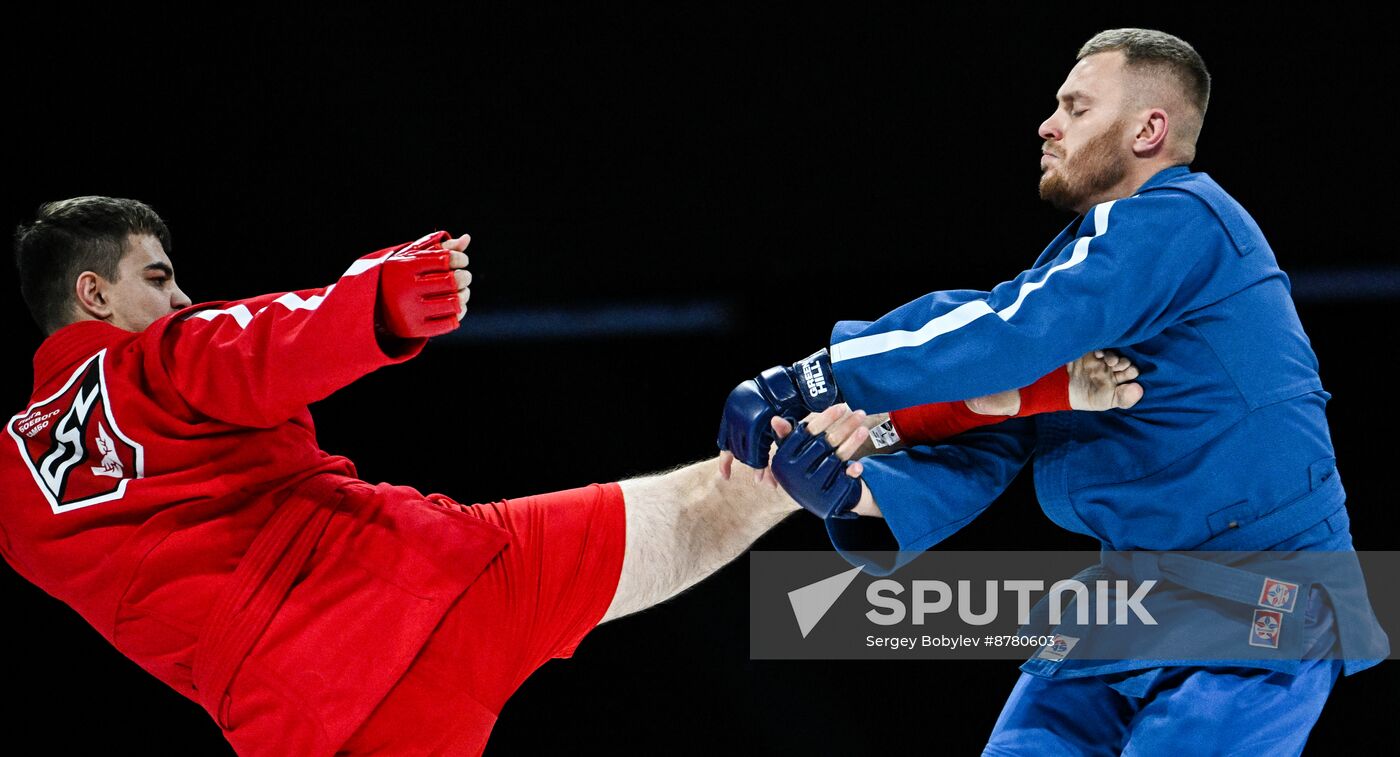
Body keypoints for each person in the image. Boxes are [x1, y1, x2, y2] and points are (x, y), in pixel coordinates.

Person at [1, 196, 1135, 756]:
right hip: (427, 581)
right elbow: (248, 342)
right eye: (157, 278)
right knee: (740, 485)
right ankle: (1032, 392)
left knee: (746, 484)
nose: (180, 297)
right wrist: (378, 301)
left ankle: (1016, 399)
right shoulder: (155, 362)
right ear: (94, 299)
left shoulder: (17, 510)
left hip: (317, 729)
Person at [718, 28, 1388, 754]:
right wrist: (850, 491)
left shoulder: (1188, 220)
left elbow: (1007, 332)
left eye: (1076, 106)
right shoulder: (1084, 270)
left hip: (1266, 596)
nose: (1048, 123)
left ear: (1148, 129)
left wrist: (810, 377)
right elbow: (991, 427)